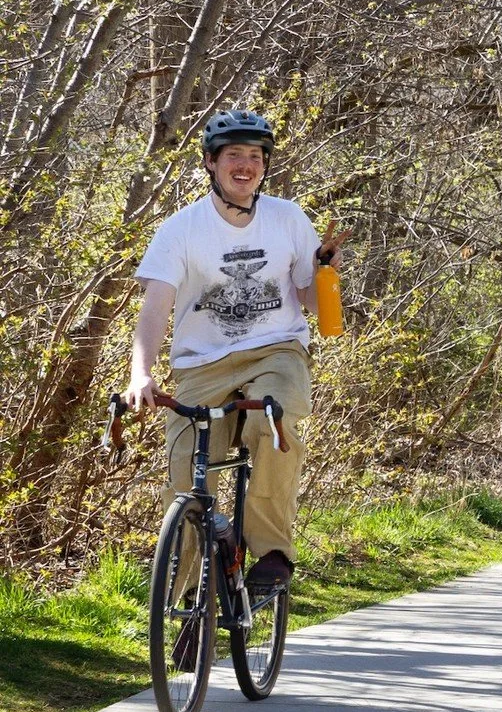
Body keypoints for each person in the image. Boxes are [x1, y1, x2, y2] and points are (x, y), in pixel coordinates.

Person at [124, 108, 343, 591]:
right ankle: (182, 607)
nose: (244, 165)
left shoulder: (287, 218)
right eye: (233, 156)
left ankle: (272, 555)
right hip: (202, 365)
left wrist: (326, 272)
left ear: (265, 164)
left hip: (276, 351)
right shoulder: (180, 229)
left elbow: (308, 299)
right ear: (210, 163)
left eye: (254, 156)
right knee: (187, 485)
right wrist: (140, 373)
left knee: (272, 417)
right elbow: (155, 310)